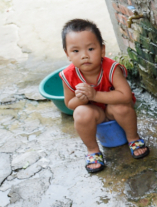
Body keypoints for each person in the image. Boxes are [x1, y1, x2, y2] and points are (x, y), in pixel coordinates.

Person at [59, 19, 148, 173]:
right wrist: (81, 98)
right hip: (95, 114)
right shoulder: (68, 76)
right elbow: (69, 104)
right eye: (76, 51)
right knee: (80, 112)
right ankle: (93, 150)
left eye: (91, 48)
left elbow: (125, 95)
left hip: (114, 110)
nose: (84, 56)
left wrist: (94, 94)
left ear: (102, 50)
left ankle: (133, 138)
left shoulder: (111, 68)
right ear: (67, 54)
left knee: (121, 106)